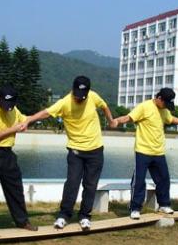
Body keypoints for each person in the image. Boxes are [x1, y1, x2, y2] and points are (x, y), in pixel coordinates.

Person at [25, 76, 114, 230]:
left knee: (90, 185)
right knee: (72, 183)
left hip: (95, 150)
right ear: (73, 91)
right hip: (75, 151)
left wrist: (111, 120)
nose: (79, 99)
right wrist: (28, 120)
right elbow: (45, 113)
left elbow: (104, 105)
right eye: (77, 96)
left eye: (82, 97)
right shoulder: (64, 102)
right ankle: (64, 215)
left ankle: (85, 216)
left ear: (87, 92)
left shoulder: (93, 96)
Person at [111, 88, 178, 219]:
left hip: (158, 151)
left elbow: (171, 119)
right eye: (165, 103)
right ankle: (135, 208)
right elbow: (129, 117)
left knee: (164, 179)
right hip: (143, 150)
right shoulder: (144, 107)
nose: (166, 107)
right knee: (139, 180)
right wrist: (117, 121)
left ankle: (164, 205)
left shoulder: (164, 109)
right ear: (159, 98)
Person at [0, 86, 38, 235]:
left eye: (10, 105)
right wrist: (16, 128)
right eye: (5, 105)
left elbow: (24, 119)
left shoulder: (14, 109)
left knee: (15, 189)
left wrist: (29, 121)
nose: (8, 108)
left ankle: (22, 221)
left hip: (7, 154)